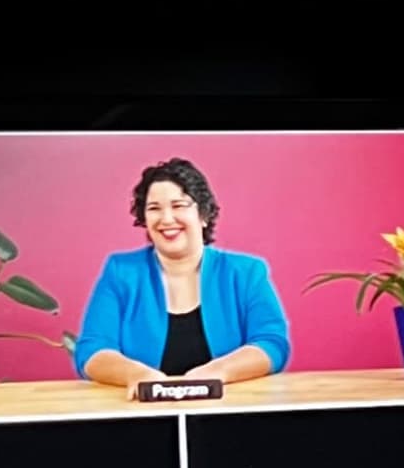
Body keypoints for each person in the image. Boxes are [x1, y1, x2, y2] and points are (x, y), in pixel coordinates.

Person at [74, 158, 293, 391]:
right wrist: (138, 375)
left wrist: (217, 372)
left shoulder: (246, 272)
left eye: (178, 205)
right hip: (141, 407)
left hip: (229, 406)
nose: (167, 219)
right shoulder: (121, 271)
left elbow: (272, 343)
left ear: (203, 215)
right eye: (154, 208)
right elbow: (92, 350)